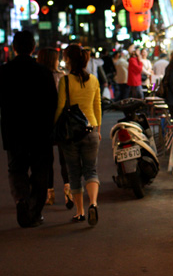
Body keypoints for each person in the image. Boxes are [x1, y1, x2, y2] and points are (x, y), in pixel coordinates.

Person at [0, 31, 58, 228]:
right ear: (33, 48)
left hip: (14, 131)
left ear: (14, 48)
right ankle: (34, 210)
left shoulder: (4, 72)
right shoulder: (43, 72)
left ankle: (21, 200)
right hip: (40, 133)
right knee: (40, 172)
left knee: (16, 169)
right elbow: (53, 103)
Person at [55, 44, 102, 226]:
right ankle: (94, 203)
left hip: (71, 133)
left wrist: (54, 127)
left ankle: (80, 212)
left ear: (68, 59)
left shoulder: (65, 81)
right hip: (90, 130)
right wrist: (97, 130)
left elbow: (60, 107)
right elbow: (97, 106)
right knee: (91, 170)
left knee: (74, 173)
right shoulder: (93, 80)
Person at [36, 47, 73, 210]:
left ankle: (49, 194)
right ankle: (68, 192)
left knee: (46, 160)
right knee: (64, 158)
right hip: (61, 122)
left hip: (42, 123)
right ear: (53, 60)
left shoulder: (36, 78)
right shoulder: (62, 77)